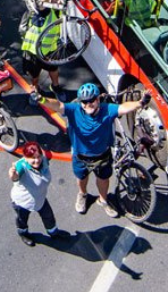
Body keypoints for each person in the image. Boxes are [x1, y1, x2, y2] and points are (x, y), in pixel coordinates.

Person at [38, 83, 149, 217]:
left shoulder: (107, 109)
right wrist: (42, 99)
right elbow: (58, 105)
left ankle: (103, 200)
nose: (88, 104)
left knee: (103, 179)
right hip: (80, 156)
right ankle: (83, 194)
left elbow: (123, 107)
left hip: (102, 155)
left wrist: (139, 103)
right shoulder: (74, 110)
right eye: (84, 101)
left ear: (98, 99)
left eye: (91, 100)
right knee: (81, 178)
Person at [9, 141, 66, 246]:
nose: (37, 160)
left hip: (40, 198)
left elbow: (46, 158)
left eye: (38, 156)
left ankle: (53, 233)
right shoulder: (21, 166)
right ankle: (23, 234)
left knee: (48, 216)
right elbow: (15, 177)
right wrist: (13, 174)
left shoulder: (43, 160)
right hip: (23, 202)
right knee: (22, 219)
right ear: (25, 158)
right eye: (32, 158)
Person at [22, 0, 65, 100]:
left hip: (50, 50)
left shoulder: (60, 12)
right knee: (35, 75)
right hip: (33, 51)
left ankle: (55, 87)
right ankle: (36, 90)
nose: (56, 0)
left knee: (54, 69)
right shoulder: (44, 10)